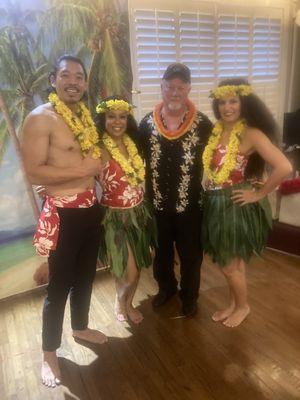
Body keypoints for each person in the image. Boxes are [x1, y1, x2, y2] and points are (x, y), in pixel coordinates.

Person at [21, 55, 107, 388]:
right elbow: (33, 171)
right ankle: (49, 354)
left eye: (79, 76)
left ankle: (81, 326)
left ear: (85, 83)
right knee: (58, 287)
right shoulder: (40, 119)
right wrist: (83, 171)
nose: (73, 81)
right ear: (54, 81)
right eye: (65, 75)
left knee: (87, 276)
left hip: (90, 209)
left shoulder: (84, 117)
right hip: (63, 213)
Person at [202, 78, 292, 327]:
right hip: (217, 201)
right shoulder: (218, 129)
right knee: (232, 262)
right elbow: (219, 164)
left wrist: (260, 193)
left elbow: (285, 166)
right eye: (222, 102)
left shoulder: (251, 133)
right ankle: (233, 304)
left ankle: (243, 307)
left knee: (229, 265)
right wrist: (211, 180)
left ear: (244, 103)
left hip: (234, 204)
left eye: (233, 101)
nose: (227, 107)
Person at [138, 63, 212, 316]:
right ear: (162, 87)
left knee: (192, 256)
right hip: (157, 204)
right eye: (170, 86)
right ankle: (166, 288)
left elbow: (219, 154)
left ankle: (189, 296)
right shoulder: (147, 123)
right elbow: (131, 156)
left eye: (181, 86)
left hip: (190, 206)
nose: (175, 91)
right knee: (162, 255)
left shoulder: (203, 124)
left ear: (188, 88)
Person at [95, 96, 157, 324]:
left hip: (139, 212)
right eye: (111, 116)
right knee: (126, 269)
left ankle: (129, 303)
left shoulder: (134, 142)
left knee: (137, 268)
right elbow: (80, 174)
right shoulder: (97, 148)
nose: (117, 122)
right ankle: (120, 300)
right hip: (114, 217)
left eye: (122, 116)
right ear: (104, 118)